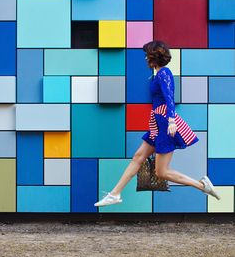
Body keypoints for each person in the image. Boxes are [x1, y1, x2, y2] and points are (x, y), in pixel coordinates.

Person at [94, 40, 221, 207]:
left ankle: (201, 185)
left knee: (161, 172)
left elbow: (169, 97)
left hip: (165, 123)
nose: (145, 57)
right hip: (158, 122)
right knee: (138, 157)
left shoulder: (164, 73)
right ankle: (115, 194)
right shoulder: (158, 74)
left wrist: (171, 121)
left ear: (153, 56)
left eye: (147, 54)